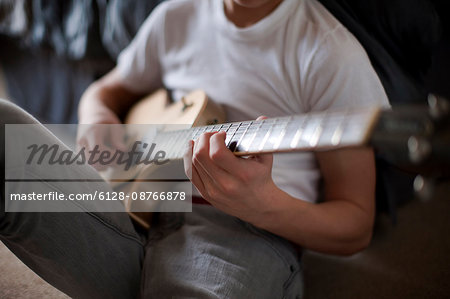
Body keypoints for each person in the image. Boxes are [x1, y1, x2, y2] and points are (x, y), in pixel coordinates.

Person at [1, 0, 389, 297]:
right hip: (132, 203)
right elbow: (106, 89)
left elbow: (355, 226)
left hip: (240, 233)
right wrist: (97, 113)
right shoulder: (177, 15)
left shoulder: (330, 53)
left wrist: (262, 204)